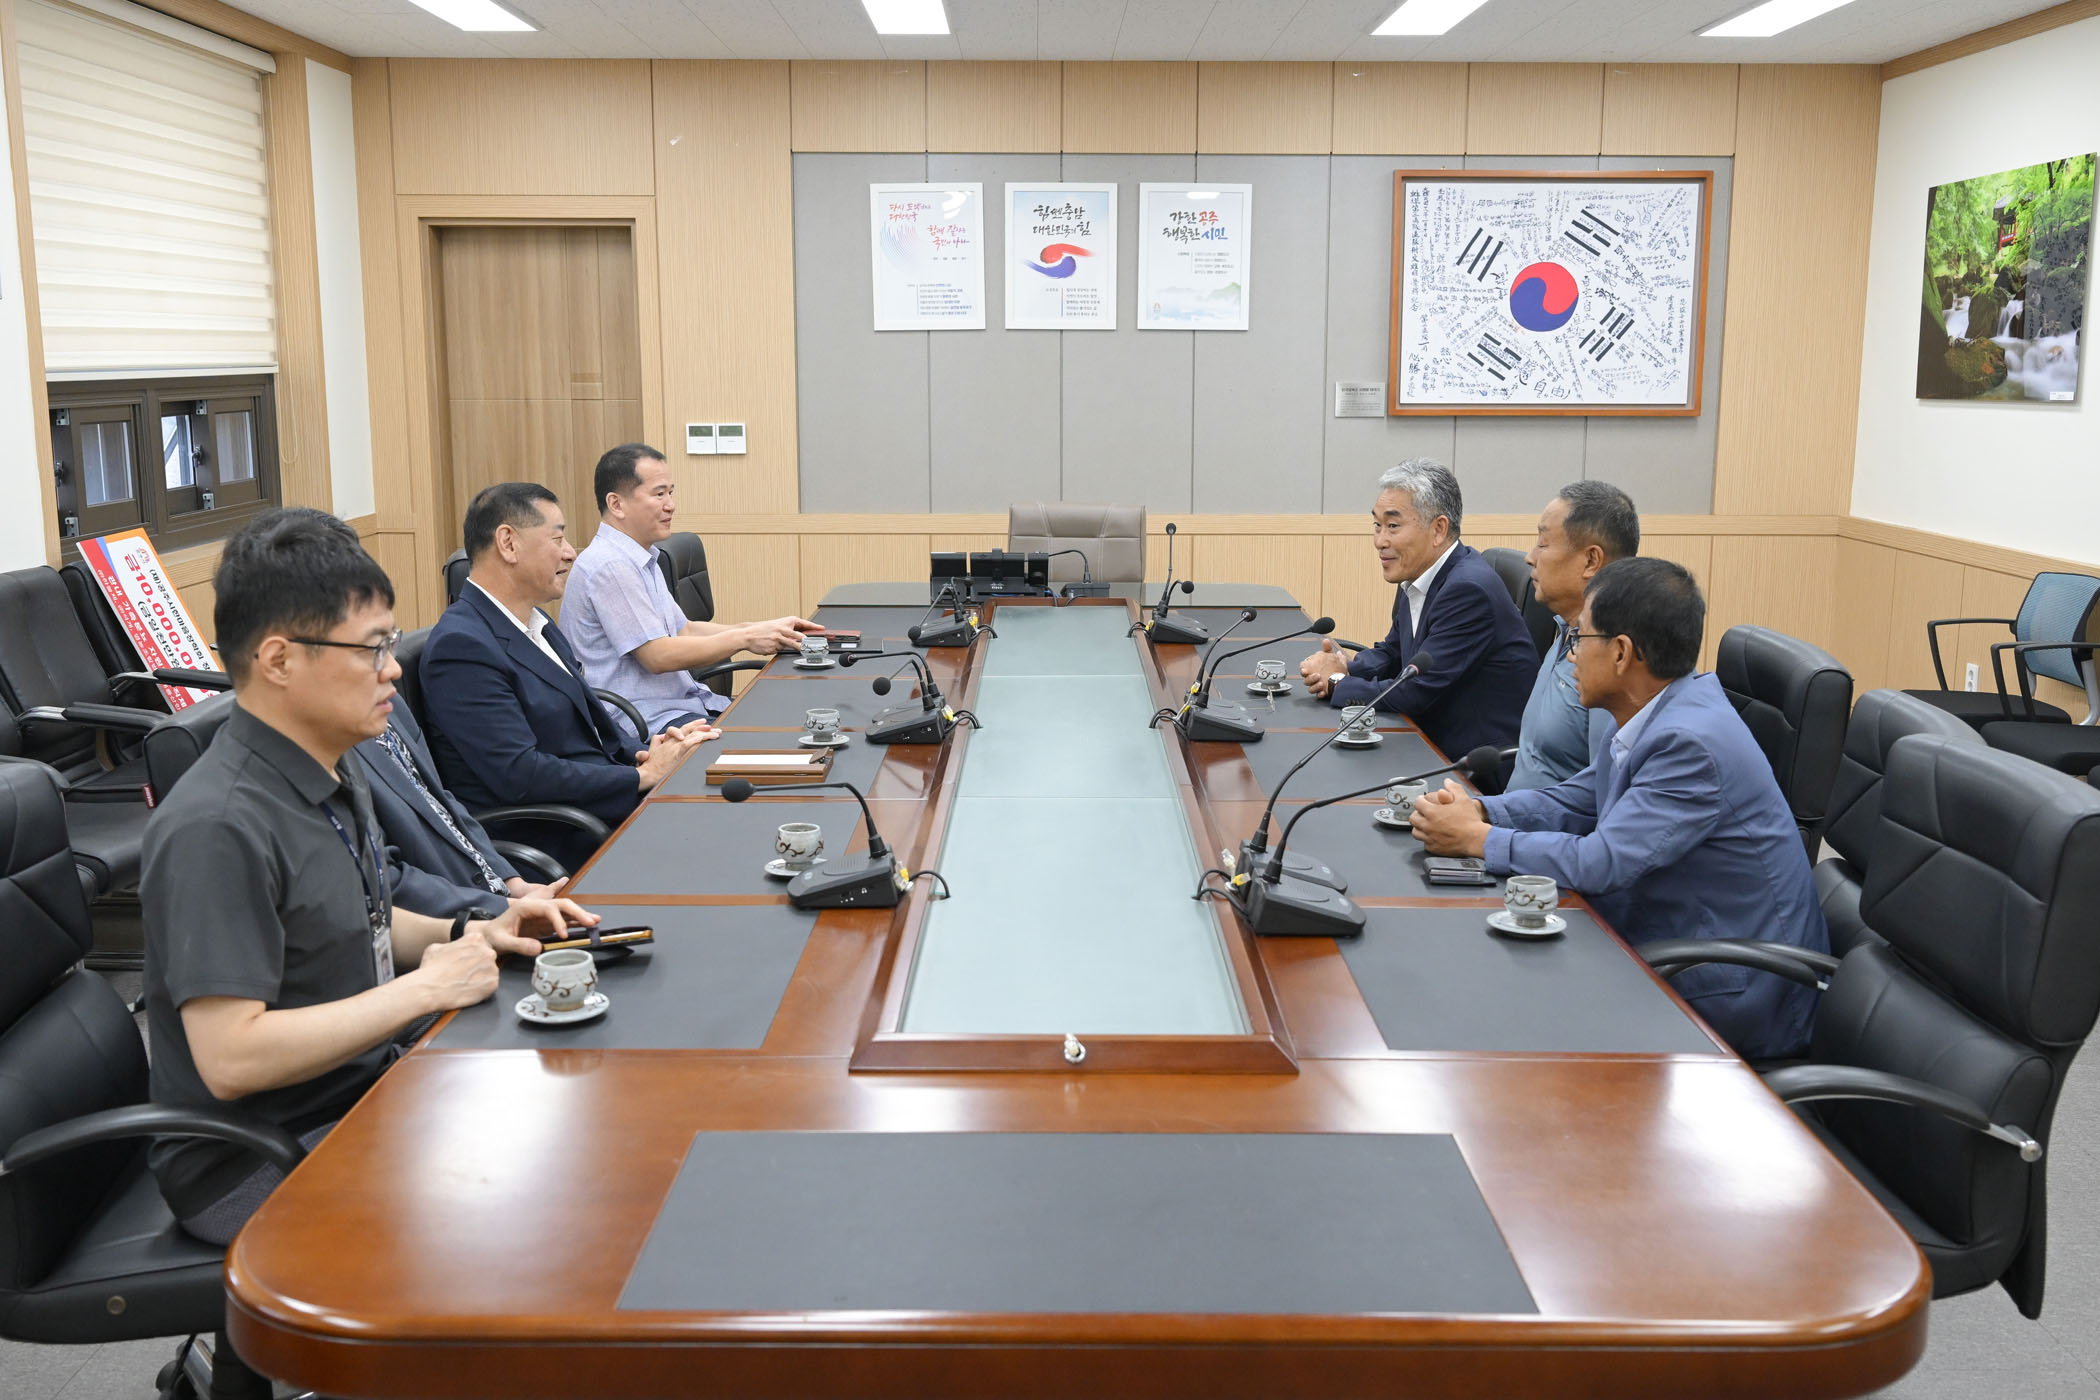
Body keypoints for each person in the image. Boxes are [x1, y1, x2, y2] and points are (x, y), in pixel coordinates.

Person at [141, 508, 597, 1251]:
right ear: (279, 660)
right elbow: (231, 1058)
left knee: (571, 1110)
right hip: (256, 1158)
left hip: (360, 1084)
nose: (393, 669)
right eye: (372, 649)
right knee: (536, 1206)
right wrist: (425, 989)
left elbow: (365, 912)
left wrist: (476, 928)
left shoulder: (330, 765)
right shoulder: (217, 826)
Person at [1408, 557, 1828, 1060]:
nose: (1569, 655)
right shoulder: (1652, 708)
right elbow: (1579, 797)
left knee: (1499, 1009)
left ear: (1622, 653)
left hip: (1731, 990)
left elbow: (1602, 861)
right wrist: (1482, 811)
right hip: (1669, 936)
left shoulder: (1688, 744)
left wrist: (1480, 840)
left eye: (1578, 638)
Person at [420, 482, 716, 871]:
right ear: (508, 543)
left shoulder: (536, 621)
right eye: (557, 538)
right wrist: (641, 777)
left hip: (598, 803)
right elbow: (520, 775)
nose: (570, 553)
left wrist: (646, 752)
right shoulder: (461, 646)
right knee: (716, 840)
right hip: (559, 832)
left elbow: (589, 730)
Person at [563, 442, 819, 737]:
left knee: (792, 721)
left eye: (671, 493)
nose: (670, 505)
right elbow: (657, 656)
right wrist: (745, 638)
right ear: (616, 504)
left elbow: (684, 630)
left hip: (681, 707)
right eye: (659, 494)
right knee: (784, 737)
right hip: (647, 724)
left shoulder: (640, 556)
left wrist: (763, 629)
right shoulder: (610, 565)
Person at [1298, 460, 1536, 764]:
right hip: (1427, 741)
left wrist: (1336, 683)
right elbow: (1394, 653)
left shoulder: (1468, 590)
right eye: (1377, 525)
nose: (1379, 541)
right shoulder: (1418, 574)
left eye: (1393, 526)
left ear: (1438, 529)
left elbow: (1415, 692)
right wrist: (1344, 665)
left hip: (1470, 762)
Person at [1505, 480, 1641, 791]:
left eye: (1543, 543)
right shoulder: (1568, 628)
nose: (1530, 557)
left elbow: (1603, 796)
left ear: (1591, 561)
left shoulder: (1616, 660)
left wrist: (1492, 819)